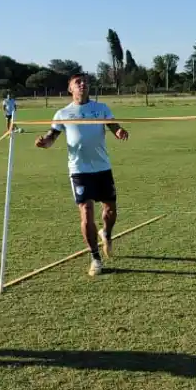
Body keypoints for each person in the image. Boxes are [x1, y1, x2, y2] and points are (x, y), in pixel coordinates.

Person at [35, 74, 129, 277]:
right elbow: (52, 137)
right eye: (78, 82)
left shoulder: (101, 108)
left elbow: (114, 126)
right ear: (70, 88)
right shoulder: (62, 113)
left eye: (85, 81)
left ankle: (107, 234)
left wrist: (120, 132)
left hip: (102, 167)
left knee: (110, 210)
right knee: (86, 211)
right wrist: (44, 143)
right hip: (79, 170)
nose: (83, 84)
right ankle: (96, 258)